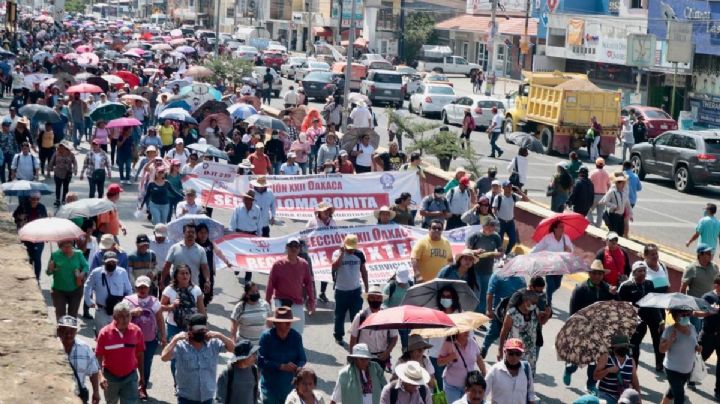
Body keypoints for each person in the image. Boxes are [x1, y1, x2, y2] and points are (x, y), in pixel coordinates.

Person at [564, 260, 617, 392]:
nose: (597, 276)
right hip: (583, 330)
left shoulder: (607, 289)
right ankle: (569, 369)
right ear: (589, 274)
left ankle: (591, 384)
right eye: (594, 273)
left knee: (596, 359)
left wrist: (614, 294)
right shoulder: (580, 290)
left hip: (600, 331)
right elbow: (573, 312)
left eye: (599, 274)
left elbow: (615, 305)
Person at [161, 313, 235, 404]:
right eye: (198, 331)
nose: (201, 333)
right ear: (190, 330)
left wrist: (221, 336)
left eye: (203, 330)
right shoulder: (181, 345)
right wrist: (174, 340)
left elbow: (234, 349)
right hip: (186, 398)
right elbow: (164, 357)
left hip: (207, 397)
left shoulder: (213, 343)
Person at [160, 264, 206, 380]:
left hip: (191, 328)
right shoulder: (169, 290)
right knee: (175, 356)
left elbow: (201, 309)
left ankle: (188, 380)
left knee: (191, 355)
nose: (185, 276)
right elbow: (160, 307)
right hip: (174, 327)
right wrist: (172, 306)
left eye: (187, 273)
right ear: (176, 276)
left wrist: (203, 326)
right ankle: (177, 382)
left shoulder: (196, 289)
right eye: (182, 273)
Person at [124, 276, 165, 400]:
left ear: (149, 288)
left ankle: (142, 387)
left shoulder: (154, 301)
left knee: (146, 365)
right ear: (135, 288)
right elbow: (119, 317)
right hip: (130, 339)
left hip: (149, 340)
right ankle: (130, 388)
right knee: (130, 363)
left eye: (145, 287)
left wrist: (163, 335)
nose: (142, 290)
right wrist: (131, 313)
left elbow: (160, 319)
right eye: (140, 287)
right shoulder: (127, 301)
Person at [95, 301, 145, 404]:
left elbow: (140, 354)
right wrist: (101, 376)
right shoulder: (104, 333)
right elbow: (98, 356)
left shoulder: (137, 331)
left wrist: (142, 375)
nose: (125, 319)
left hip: (130, 376)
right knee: (111, 402)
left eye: (128, 316)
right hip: (110, 377)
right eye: (121, 316)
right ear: (114, 317)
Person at [618, 261, 664, 371]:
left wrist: (660, 320)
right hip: (635, 321)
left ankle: (659, 363)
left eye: (644, 271)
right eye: (640, 271)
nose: (642, 273)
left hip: (651, 315)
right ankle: (633, 370)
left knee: (658, 339)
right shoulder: (626, 286)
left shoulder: (649, 284)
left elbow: (654, 302)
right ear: (634, 273)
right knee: (635, 346)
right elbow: (619, 306)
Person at [258, 307, 308, 404]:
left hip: (289, 388)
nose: (289, 324)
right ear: (276, 323)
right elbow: (260, 361)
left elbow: (302, 359)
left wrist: (298, 368)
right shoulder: (266, 337)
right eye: (285, 321)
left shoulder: (296, 336)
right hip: (270, 389)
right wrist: (280, 366)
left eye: (290, 321)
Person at [266, 238, 316, 333]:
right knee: (279, 331)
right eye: (291, 246)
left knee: (298, 332)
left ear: (299, 249)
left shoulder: (304, 264)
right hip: (280, 301)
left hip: (296, 302)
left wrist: (311, 302)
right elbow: (270, 284)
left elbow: (309, 283)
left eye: (296, 246)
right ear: (286, 247)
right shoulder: (278, 265)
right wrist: (267, 303)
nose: (294, 248)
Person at [349, 285, 399, 369]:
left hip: (381, 357)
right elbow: (353, 338)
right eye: (372, 298)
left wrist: (387, 352)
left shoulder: (388, 317)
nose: (375, 300)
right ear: (368, 299)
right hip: (363, 358)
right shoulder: (361, 317)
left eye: (378, 298)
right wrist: (352, 358)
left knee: (379, 381)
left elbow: (394, 337)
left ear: (381, 300)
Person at [332, 234, 369, 345]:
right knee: (340, 315)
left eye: (353, 248)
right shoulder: (337, 253)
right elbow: (334, 266)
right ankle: (338, 336)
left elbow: (363, 271)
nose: (351, 250)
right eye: (349, 248)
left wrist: (366, 287)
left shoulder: (359, 255)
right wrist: (342, 253)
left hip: (356, 291)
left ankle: (356, 337)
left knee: (356, 316)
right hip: (341, 291)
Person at [84, 252, 133, 335]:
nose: (111, 264)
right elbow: (87, 286)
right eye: (109, 262)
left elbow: (128, 290)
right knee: (102, 335)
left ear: (117, 262)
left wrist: (127, 305)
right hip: (101, 310)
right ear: (103, 262)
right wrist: (88, 301)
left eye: (113, 262)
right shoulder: (96, 272)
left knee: (118, 335)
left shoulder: (122, 272)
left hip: (118, 312)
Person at [57, 315, 101, 404]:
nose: (68, 335)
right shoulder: (51, 347)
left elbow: (93, 371)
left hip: (77, 397)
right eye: (65, 331)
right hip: (57, 397)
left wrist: (96, 392)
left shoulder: (85, 348)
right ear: (58, 331)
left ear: (76, 331)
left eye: (72, 331)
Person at [659, 308, 700, 404]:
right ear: (675, 316)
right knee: (680, 396)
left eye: (687, 314)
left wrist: (698, 347)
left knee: (672, 393)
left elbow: (694, 344)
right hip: (672, 370)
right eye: (682, 315)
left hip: (687, 370)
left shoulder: (692, 328)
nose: (685, 317)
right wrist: (670, 340)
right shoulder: (669, 330)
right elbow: (661, 349)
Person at [437, 329, 487, 404]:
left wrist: (484, 373)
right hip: (452, 386)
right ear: (457, 331)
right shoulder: (448, 343)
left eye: (468, 329)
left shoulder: (472, 342)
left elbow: (479, 358)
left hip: (470, 387)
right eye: (464, 329)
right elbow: (439, 362)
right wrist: (450, 357)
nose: (467, 332)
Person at [531, 220, 573, 306]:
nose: (562, 229)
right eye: (560, 227)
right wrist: (529, 256)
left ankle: (545, 295)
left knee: (557, 285)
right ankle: (548, 304)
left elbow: (571, 250)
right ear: (555, 228)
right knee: (550, 285)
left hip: (560, 266)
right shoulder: (548, 238)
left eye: (563, 227)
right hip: (549, 266)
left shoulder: (565, 238)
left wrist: (568, 249)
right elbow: (538, 247)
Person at [465, 220, 503, 313]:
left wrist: (499, 254)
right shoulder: (475, 236)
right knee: (474, 293)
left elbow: (501, 251)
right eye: (488, 226)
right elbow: (466, 252)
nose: (490, 228)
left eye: (492, 226)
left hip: (487, 270)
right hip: (474, 269)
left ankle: (480, 316)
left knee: (484, 294)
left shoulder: (496, 237)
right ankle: (470, 313)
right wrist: (475, 251)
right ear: (483, 225)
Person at [498, 290, 542, 370]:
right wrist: (500, 350)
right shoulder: (512, 313)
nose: (534, 305)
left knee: (528, 377)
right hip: (514, 352)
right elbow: (504, 332)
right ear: (525, 301)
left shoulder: (535, 311)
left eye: (536, 303)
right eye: (533, 303)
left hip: (530, 354)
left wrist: (546, 315)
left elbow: (540, 322)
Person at [47, 239, 89, 321]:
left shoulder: (78, 254)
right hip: (59, 290)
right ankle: (61, 332)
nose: (67, 249)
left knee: (72, 316)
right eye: (64, 247)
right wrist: (50, 269)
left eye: (69, 246)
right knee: (60, 315)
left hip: (76, 290)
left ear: (72, 245)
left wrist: (81, 274)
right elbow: (48, 273)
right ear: (60, 247)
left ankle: (70, 333)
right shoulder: (55, 255)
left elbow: (86, 266)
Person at [681, 243, 719, 332]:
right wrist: (682, 308)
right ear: (700, 254)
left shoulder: (714, 267)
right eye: (708, 253)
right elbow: (683, 288)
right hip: (696, 307)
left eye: (711, 253)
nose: (711, 255)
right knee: (696, 331)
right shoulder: (691, 268)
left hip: (711, 305)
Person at [162, 224, 211, 293]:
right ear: (184, 233)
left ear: (196, 234)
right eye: (188, 232)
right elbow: (167, 266)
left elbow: (205, 267)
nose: (190, 234)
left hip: (193, 287)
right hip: (175, 287)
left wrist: (207, 281)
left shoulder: (201, 250)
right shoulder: (174, 248)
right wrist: (162, 280)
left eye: (193, 232)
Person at [593, 334, 640, 404]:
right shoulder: (606, 357)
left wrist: (639, 398)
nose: (624, 348)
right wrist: (608, 370)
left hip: (625, 398)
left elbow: (635, 380)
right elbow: (595, 377)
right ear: (614, 348)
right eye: (621, 346)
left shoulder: (631, 360)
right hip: (606, 395)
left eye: (626, 346)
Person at [484, 338, 534, 404]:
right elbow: (482, 393)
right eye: (511, 353)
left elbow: (531, 392)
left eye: (518, 354)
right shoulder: (495, 370)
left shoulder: (526, 368)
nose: (514, 357)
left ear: (522, 354)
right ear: (505, 352)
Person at [12, 191, 47, 280]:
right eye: (33, 199)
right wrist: (20, 217)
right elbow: (14, 217)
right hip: (26, 236)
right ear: (29, 198)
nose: (35, 201)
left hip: (38, 236)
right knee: (29, 257)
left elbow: (45, 221)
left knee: (37, 258)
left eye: (37, 199)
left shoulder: (42, 207)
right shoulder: (23, 206)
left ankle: (37, 278)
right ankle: (29, 277)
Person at [196, 223, 231, 306]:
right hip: (197, 273)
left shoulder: (210, 244)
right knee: (199, 292)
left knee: (209, 293)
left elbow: (218, 252)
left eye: (205, 233)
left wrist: (227, 262)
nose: (203, 235)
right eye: (201, 232)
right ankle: (201, 308)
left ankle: (204, 305)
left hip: (209, 273)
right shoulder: (194, 245)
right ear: (197, 233)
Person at [492, 181, 529, 255]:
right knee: (499, 241)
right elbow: (494, 210)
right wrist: (495, 218)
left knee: (513, 240)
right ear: (503, 188)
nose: (510, 188)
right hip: (501, 222)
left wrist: (519, 191)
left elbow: (526, 200)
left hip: (510, 222)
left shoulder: (514, 196)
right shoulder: (498, 197)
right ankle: (499, 256)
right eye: (508, 186)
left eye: (510, 186)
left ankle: (506, 253)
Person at [698, 275, 720, 400]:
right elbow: (698, 312)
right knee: (701, 359)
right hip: (708, 334)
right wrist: (711, 310)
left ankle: (718, 391)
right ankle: (691, 378)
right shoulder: (708, 297)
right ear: (716, 285)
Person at [601, 173, 632, 237]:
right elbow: (605, 201)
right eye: (622, 183)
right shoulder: (612, 192)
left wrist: (630, 214)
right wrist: (614, 206)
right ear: (617, 183)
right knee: (613, 234)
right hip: (613, 215)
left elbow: (627, 204)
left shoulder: (624, 193)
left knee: (620, 233)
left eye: (624, 183)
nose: (623, 185)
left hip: (621, 216)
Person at [48, 141, 77, 206]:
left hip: (67, 173)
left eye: (62, 146)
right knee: (58, 187)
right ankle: (57, 200)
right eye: (59, 146)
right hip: (58, 173)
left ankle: (64, 199)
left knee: (65, 187)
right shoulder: (56, 153)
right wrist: (49, 170)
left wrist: (75, 169)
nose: (60, 148)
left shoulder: (70, 154)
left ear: (65, 147)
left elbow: (74, 162)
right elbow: (52, 160)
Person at [588, 158, 611, 227]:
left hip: (593, 195)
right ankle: (598, 226)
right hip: (603, 196)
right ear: (603, 165)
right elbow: (609, 185)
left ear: (596, 164)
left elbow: (589, 183)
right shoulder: (606, 173)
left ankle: (591, 223)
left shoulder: (593, 172)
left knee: (588, 210)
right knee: (600, 213)